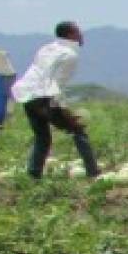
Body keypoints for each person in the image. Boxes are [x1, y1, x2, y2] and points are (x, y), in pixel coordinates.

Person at [10, 21, 100, 179]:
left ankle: (33, 174)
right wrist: (64, 111)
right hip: (45, 97)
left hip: (27, 95)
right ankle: (93, 172)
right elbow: (56, 85)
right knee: (78, 131)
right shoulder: (69, 55)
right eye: (78, 32)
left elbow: (38, 74)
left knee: (42, 137)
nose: (81, 35)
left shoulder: (45, 49)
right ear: (71, 35)